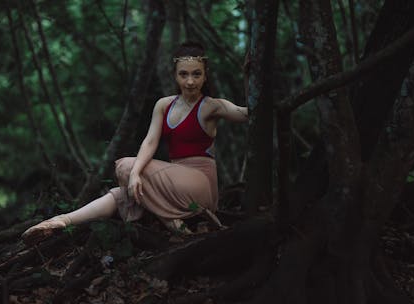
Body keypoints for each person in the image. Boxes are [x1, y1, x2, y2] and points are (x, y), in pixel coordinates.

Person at [21, 41, 248, 245]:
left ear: (205, 75)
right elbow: (149, 142)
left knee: (127, 167)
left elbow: (247, 114)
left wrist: (250, 79)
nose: (190, 81)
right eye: (184, 74)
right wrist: (137, 174)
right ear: (175, 75)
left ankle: (175, 226)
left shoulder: (212, 106)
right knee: (122, 193)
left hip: (200, 184)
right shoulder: (164, 105)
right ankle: (59, 221)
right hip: (173, 178)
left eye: (196, 74)